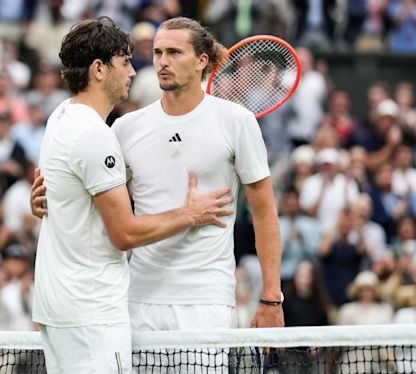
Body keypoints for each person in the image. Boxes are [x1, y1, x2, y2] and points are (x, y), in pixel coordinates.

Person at [32, 16, 284, 333]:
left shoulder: (238, 121)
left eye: (175, 53)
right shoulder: (124, 128)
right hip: (136, 301)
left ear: (201, 61)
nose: (162, 62)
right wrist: (49, 199)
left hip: (206, 303)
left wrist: (271, 298)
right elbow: (97, 199)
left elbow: (264, 212)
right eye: (158, 52)